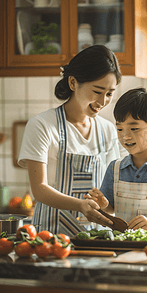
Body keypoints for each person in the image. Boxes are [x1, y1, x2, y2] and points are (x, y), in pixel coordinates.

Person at [18, 45, 123, 236]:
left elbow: (110, 192)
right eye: (97, 91)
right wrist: (80, 205)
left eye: (109, 94)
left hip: (96, 238)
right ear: (73, 83)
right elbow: (39, 190)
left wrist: (105, 203)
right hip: (50, 239)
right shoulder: (42, 125)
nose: (103, 101)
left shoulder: (107, 129)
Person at [85, 88, 147, 236]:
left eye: (134, 128)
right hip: (122, 244)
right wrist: (102, 205)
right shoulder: (115, 168)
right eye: (120, 129)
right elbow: (110, 209)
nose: (125, 136)